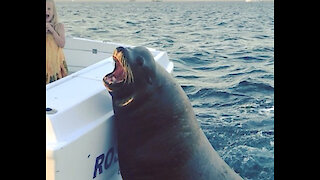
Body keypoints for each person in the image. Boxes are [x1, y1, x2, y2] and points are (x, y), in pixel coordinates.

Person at [46, 0, 68, 84]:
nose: (46, 11)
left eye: (49, 9)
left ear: (53, 12)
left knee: (55, 84)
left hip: (55, 64)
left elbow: (62, 44)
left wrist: (52, 31)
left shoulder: (58, 26)